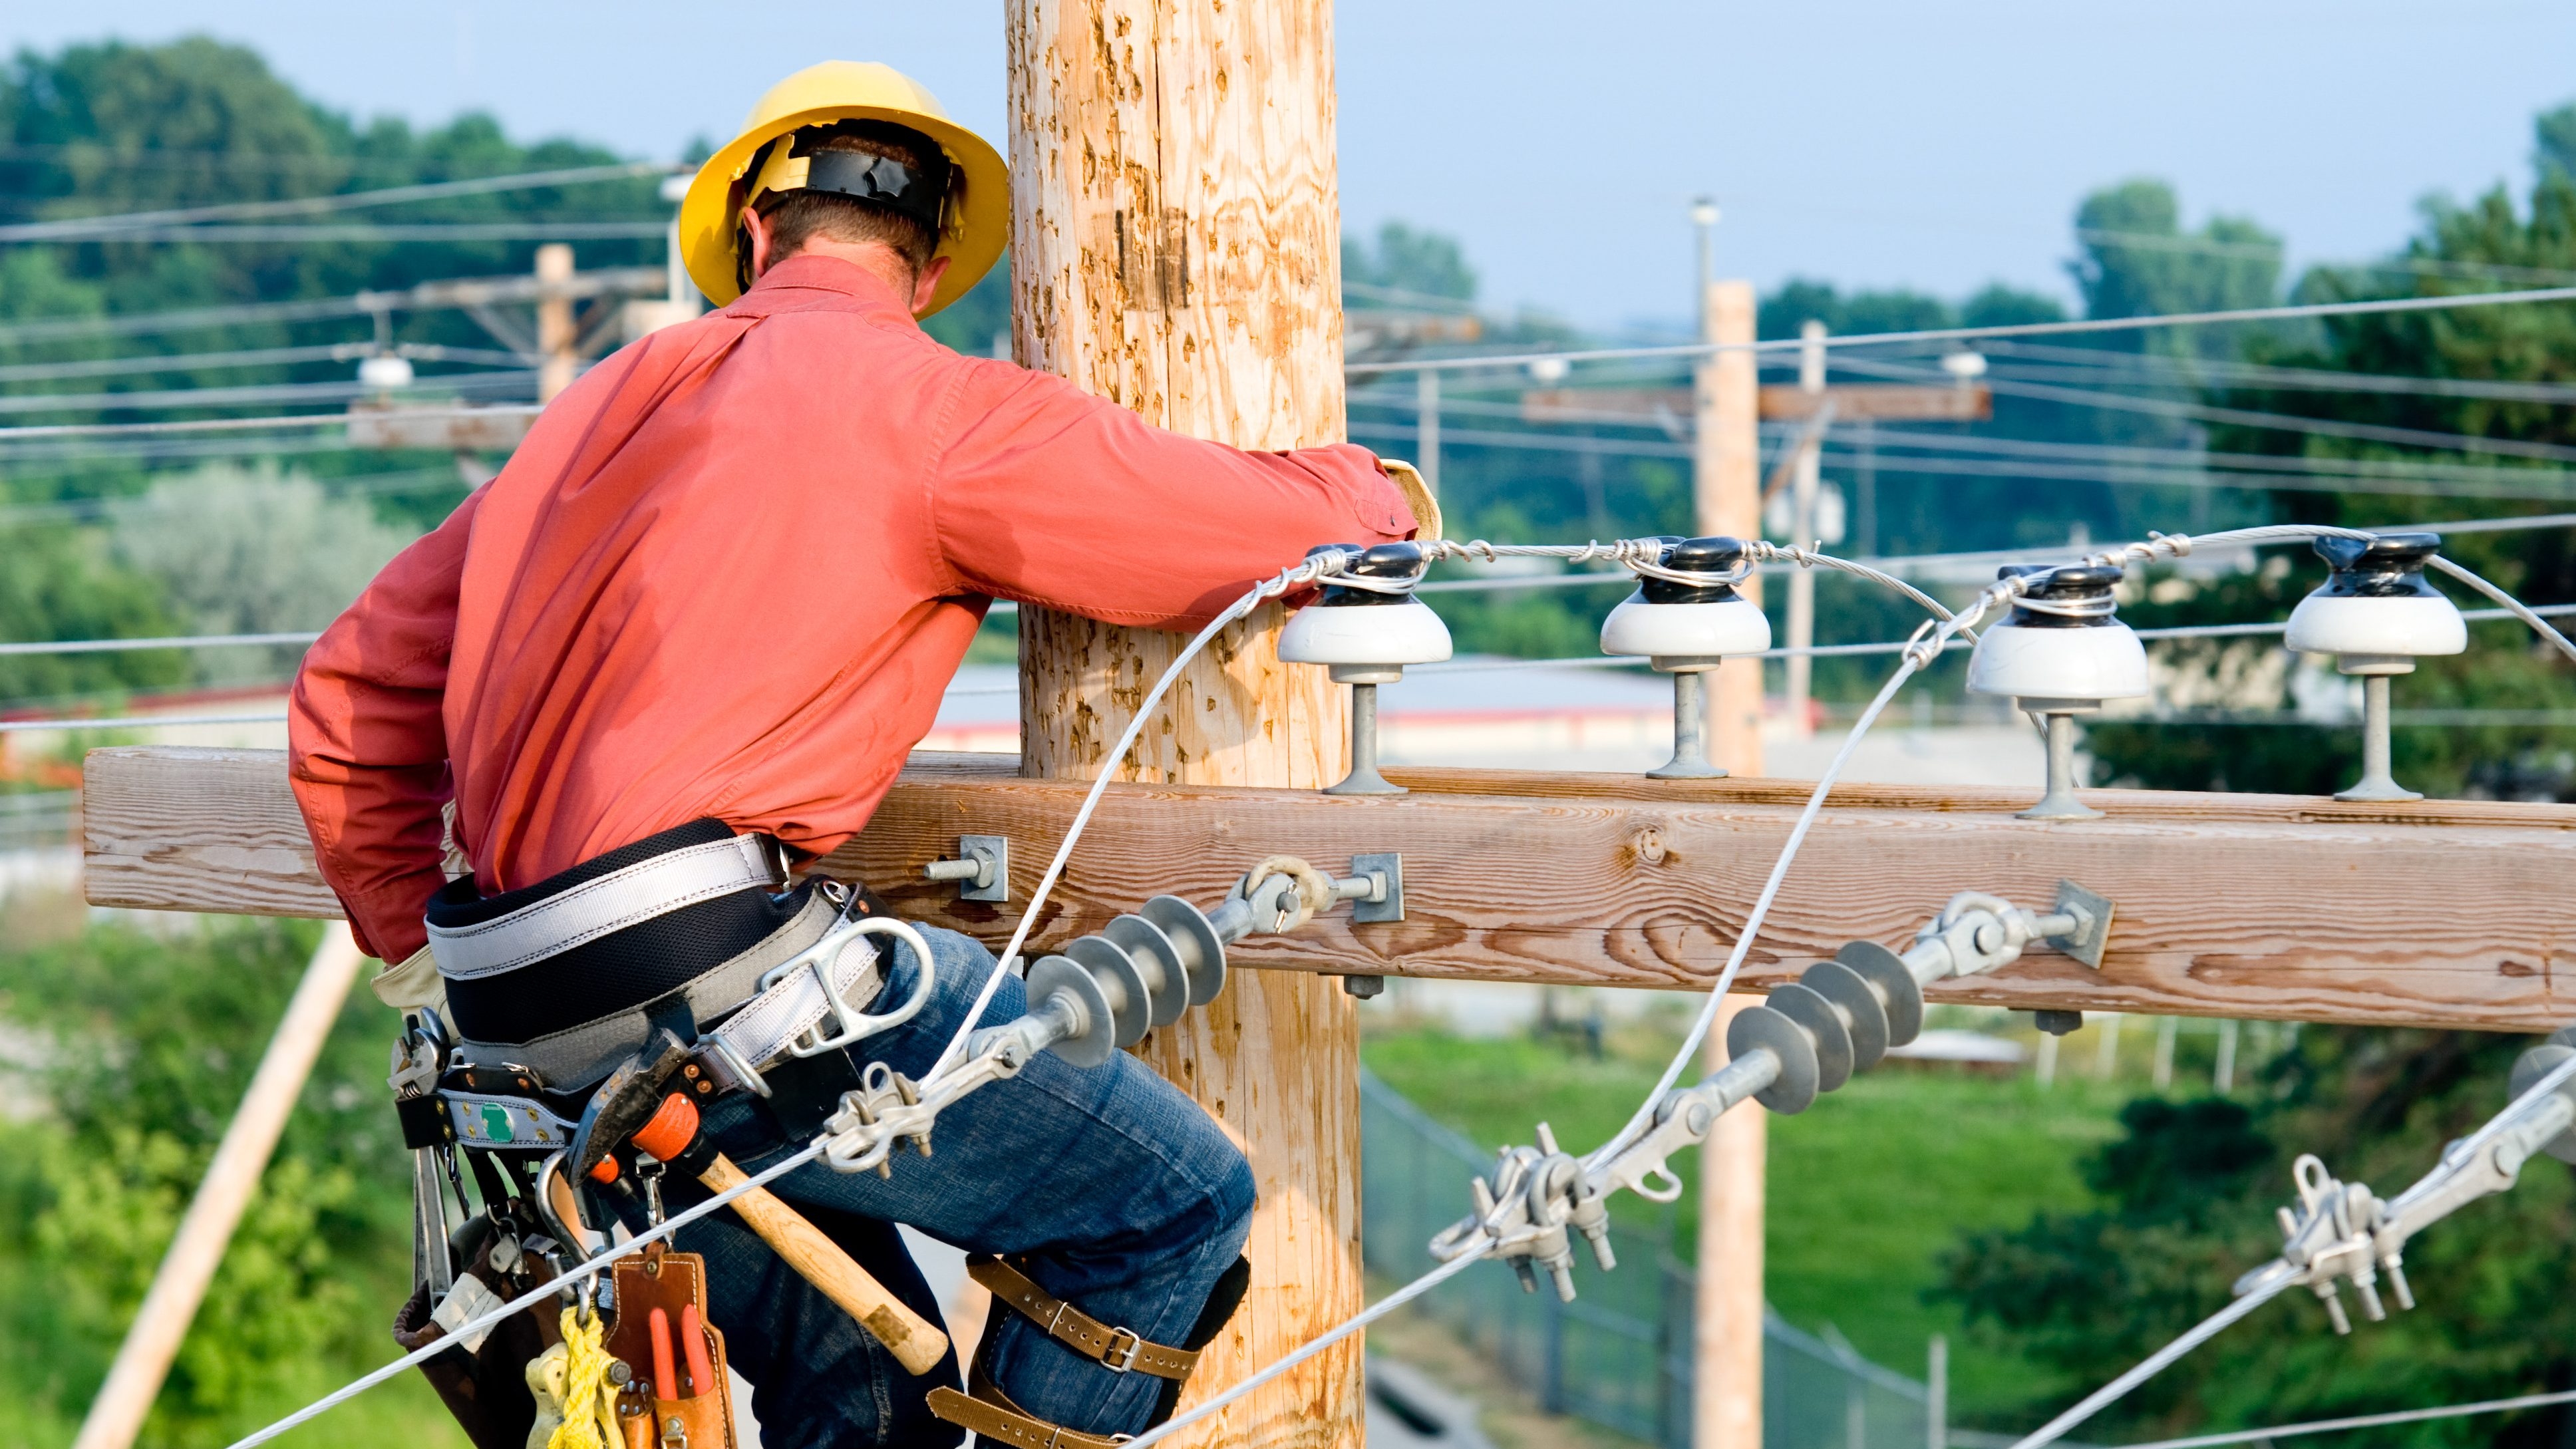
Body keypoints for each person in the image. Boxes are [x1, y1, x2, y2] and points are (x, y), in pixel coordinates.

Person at [288, 60, 1424, 1449]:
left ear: (753, 237)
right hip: (721, 997)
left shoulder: (591, 412)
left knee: (861, 1401)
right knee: (1169, 1210)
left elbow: (353, 686)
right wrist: (1380, 499)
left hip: (523, 1036)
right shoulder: (930, 404)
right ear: (934, 262)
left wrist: (407, 928)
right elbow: (1230, 540)